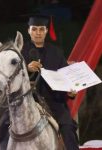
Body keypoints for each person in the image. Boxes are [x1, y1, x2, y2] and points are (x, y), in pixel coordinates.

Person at [21, 15, 79, 150]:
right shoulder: (21, 51)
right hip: (28, 101)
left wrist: (71, 92)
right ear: (29, 31)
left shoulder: (56, 52)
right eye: (34, 29)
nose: (38, 33)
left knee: (68, 127)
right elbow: (13, 76)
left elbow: (66, 76)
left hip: (54, 102)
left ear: (46, 31)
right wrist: (27, 69)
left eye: (41, 29)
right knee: (6, 124)